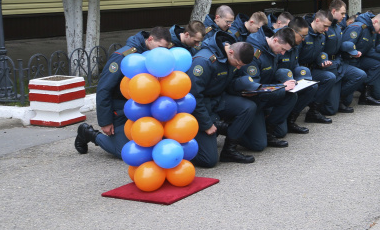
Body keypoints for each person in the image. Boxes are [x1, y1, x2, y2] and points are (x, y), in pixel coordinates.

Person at [74, 27, 171, 156]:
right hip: (120, 111)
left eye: (165, 49)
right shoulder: (124, 57)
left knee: (150, 144)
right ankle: (88, 133)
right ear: (150, 39)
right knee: (125, 151)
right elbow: (104, 88)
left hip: (142, 110)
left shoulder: (155, 58)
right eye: (159, 47)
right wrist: (105, 121)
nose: (161, 52)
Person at [189, 32, 265, 166]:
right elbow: (193, 96)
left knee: (249, 106)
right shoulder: (205, 61)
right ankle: (184, 149)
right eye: (237, 64)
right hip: (201, 106)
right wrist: (206, 124)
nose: (238, 67)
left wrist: (245, 88)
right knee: (209, 161)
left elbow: (228, 82)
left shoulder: (232, 56)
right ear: (230, 52)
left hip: (218, 99)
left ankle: (229, 150)